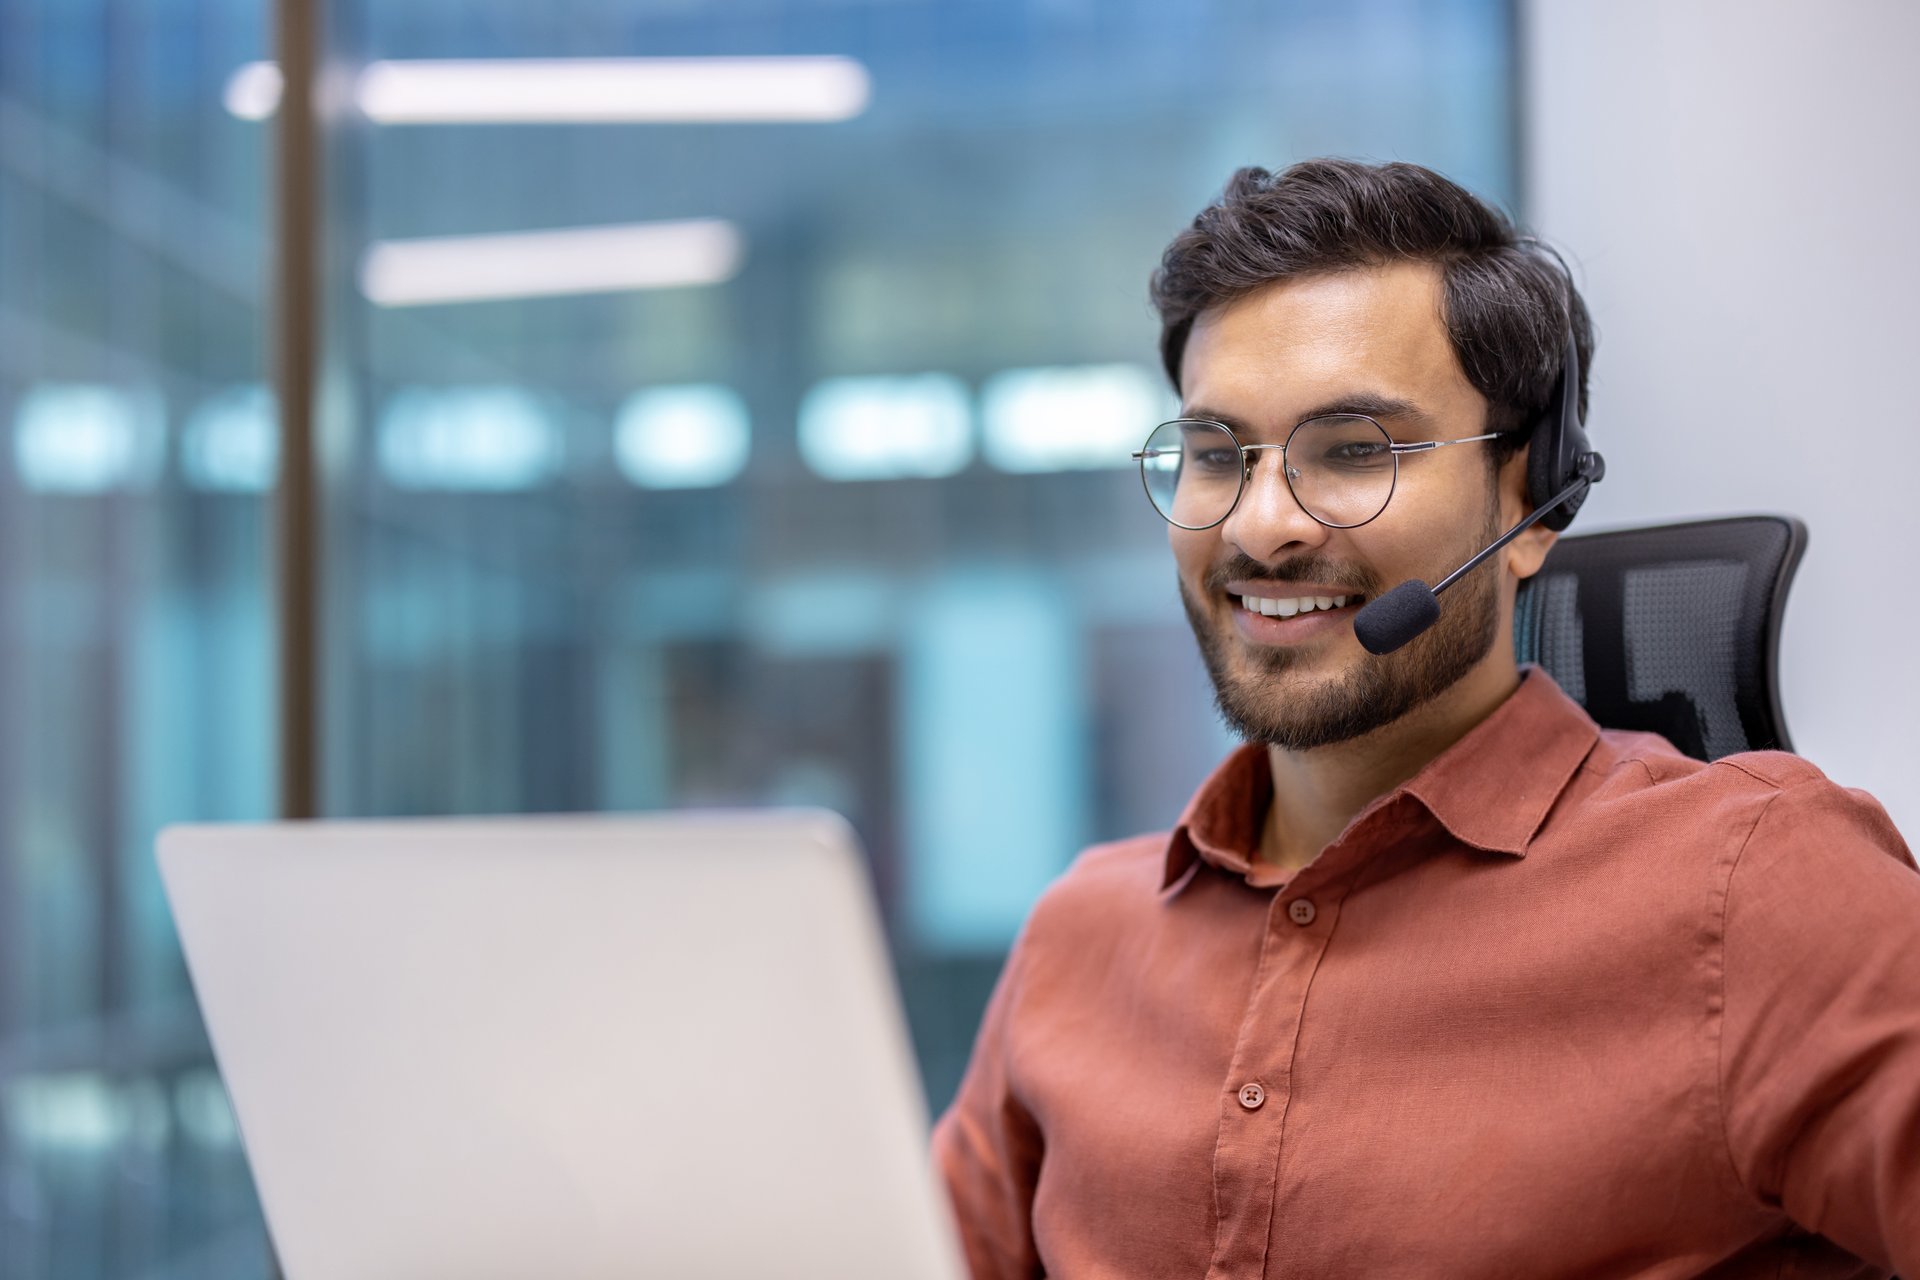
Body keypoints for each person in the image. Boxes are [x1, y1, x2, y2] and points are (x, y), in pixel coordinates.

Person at [931, 159, 1920, 1279]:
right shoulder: (1080, 937)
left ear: (1532, 497)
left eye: (1354, 451)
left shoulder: (1753, 889)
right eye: (1216, 454)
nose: (1262, 527)